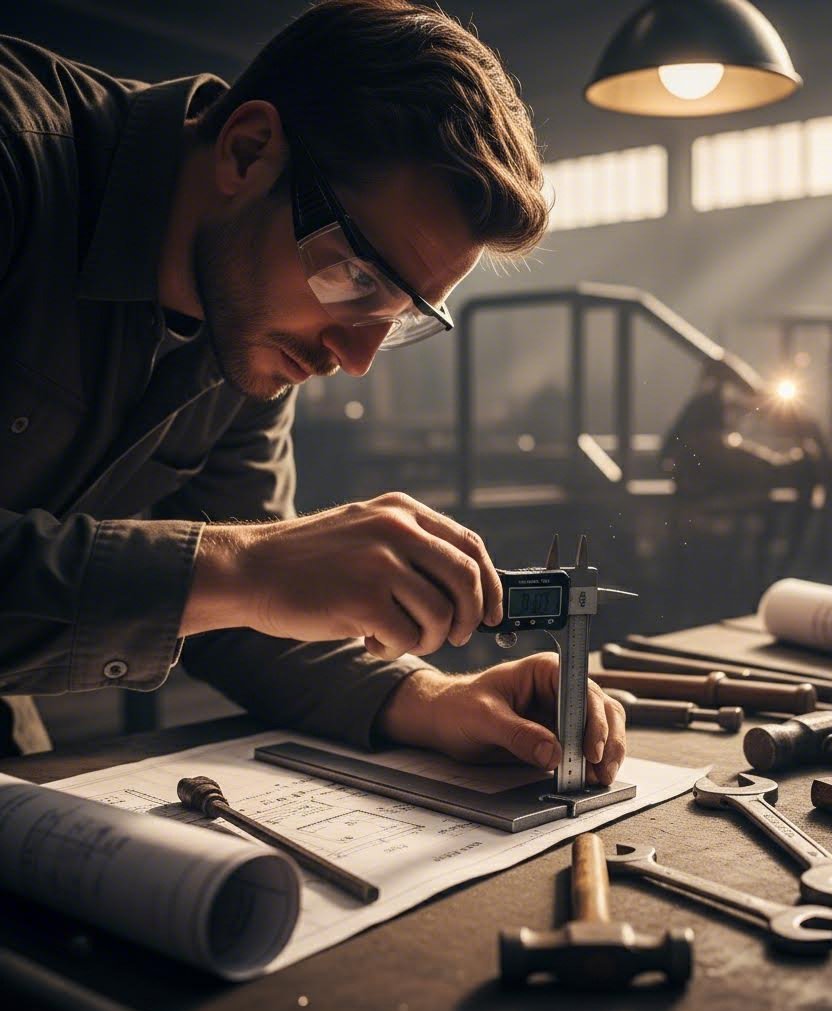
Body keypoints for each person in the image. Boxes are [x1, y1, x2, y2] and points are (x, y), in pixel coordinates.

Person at [0, 0, 627, 780]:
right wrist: (246, 567)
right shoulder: (17, 161)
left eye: (398, 316)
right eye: (356, 277)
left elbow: (242, 620)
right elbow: (238, 580)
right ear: (248, 150)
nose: (355, 356)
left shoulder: (255, 326)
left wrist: (430, 700)